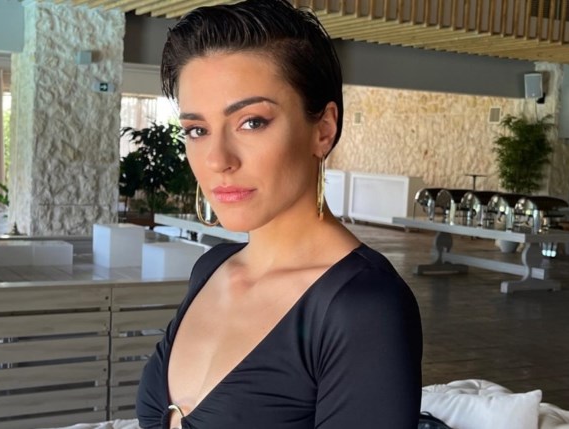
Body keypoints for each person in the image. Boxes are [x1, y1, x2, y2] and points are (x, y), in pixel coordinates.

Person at [136, 1, 422, 428]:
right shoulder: (211, 269)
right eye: (197, 130)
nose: (217, 159)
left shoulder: (363, 306)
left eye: (251, 122)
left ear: (323, 129)